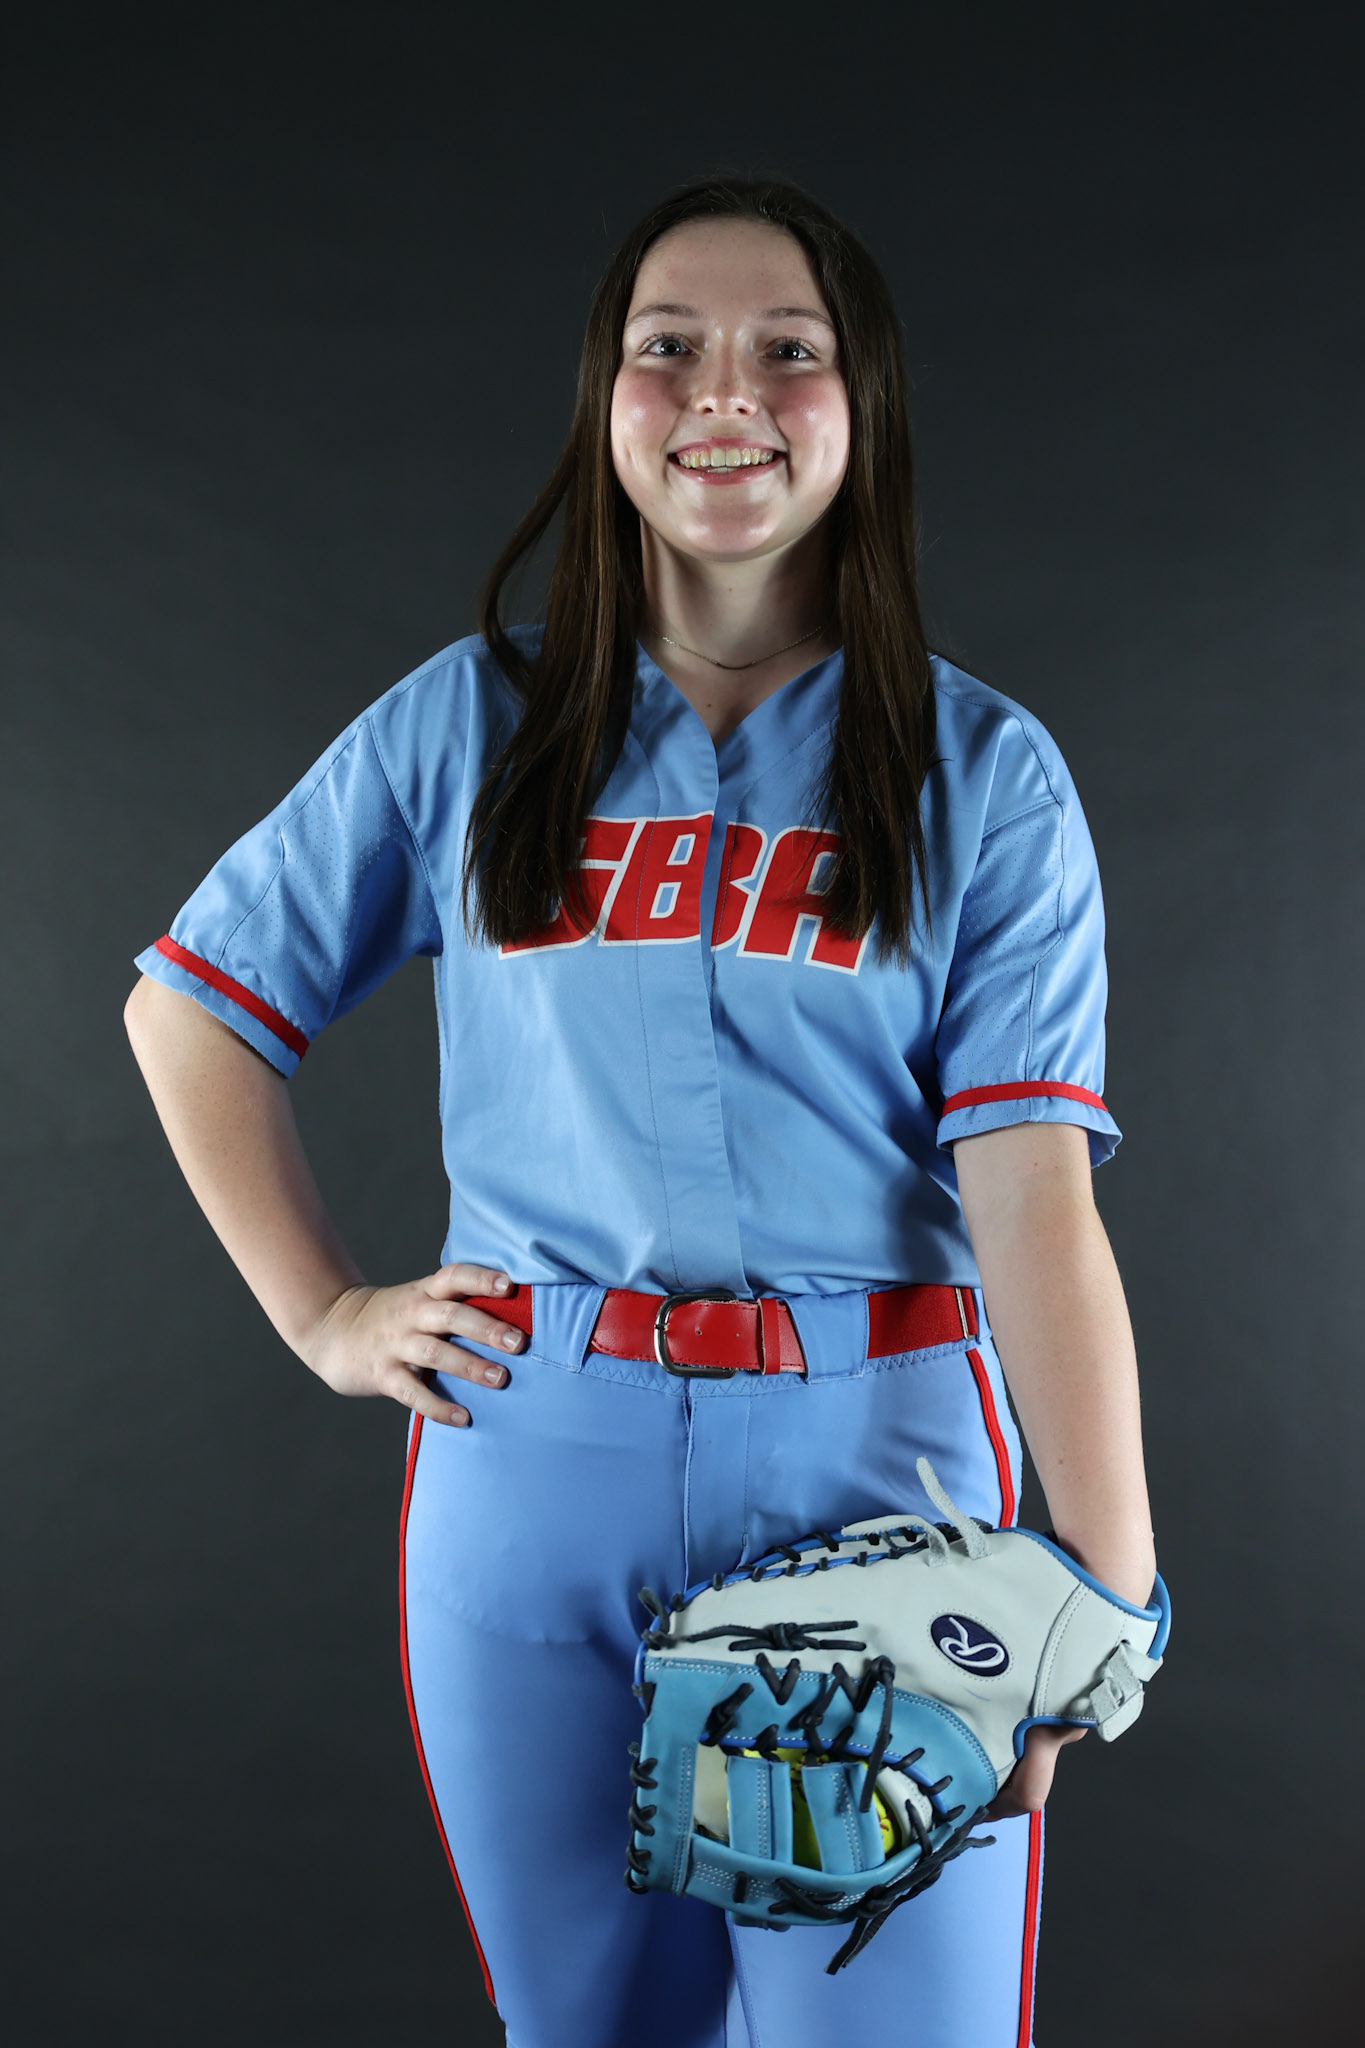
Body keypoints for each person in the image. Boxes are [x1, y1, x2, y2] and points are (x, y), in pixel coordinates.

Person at [124, 174, 1157, 2048]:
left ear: (866, 405)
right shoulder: (473, 726)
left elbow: (1030, 1196)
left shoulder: (978, 770)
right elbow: (189, 1009)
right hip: (540, 1458)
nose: (721, 392)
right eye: (664, 346)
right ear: (602, 396)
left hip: (881, 1474)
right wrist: (325, 1313)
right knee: (589, 2031)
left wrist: (1103, 1593)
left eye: (789, 350)